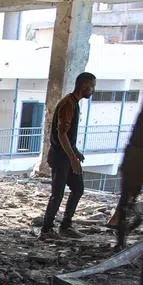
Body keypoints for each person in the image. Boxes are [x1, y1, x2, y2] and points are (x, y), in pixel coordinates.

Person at [41, 72, 97, 240]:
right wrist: (73, 159)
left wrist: (75, 152)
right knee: (57, 193)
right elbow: (62, 134)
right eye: (92, 86)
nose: (93, 90)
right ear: (84, 85)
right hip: (61, 157)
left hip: (66, 155)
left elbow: (67, 135)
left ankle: (65, 226)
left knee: (78, 189)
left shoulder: (73, 102)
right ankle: (46, 230)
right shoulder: (68, 104)